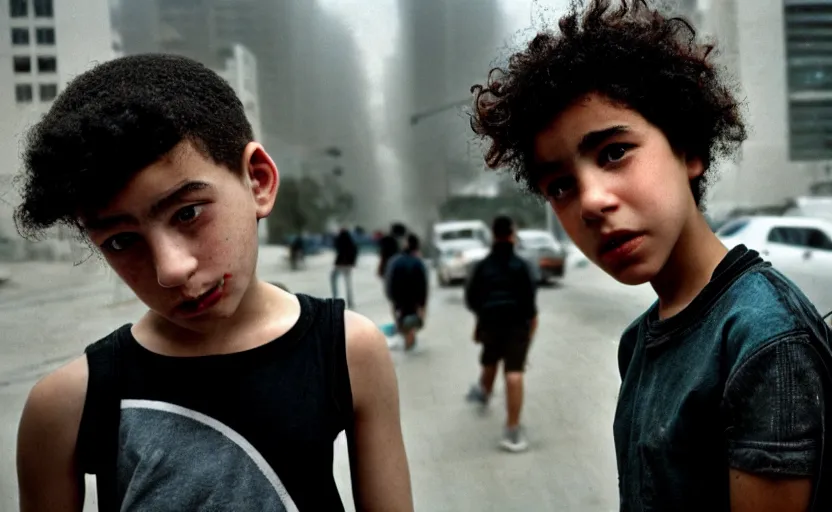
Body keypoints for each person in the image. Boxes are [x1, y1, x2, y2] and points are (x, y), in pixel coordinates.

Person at [470, 0, 832, 509]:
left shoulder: (763, 340)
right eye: (560, 186)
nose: (592, 202)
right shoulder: (638, 340)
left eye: (614, 152)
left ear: (688, 150)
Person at [14, 54, 413, 511]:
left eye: (188, 213)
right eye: (122, 241)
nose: (171, 270)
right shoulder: (65, 405)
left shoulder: (347, 349)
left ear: (258, 181)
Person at [464, 215, 538, 452]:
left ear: (493, 235)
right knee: (514, 374)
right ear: (512, 234)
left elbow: (471, 298)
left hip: (490, 323)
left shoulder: (483, 266)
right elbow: (530, 307)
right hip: (517, 325)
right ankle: (512, 430)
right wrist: (528, 340)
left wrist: (480, 320)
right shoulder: (521, 266)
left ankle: (483, 392)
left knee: (490, 360)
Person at [385, 234, 429, 351]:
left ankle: (408, 345)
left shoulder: (394, 261)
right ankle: (410, 346)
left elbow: (389, 282)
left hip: (398, 299)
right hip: (414, 300)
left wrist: (391, 300)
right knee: (410, 325)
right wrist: (423, 306)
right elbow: (423, 285)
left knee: (403, 323)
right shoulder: (418, 263)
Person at [331, 227, 358, 308]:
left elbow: (335, 247)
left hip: (339, 264)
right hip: (348, 265)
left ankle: (335, 298)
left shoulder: (339, 241)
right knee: (348, 284)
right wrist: (353, 262)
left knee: (333, 280)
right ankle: (350, 301)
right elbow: (355, 252)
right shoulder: (351, 243)